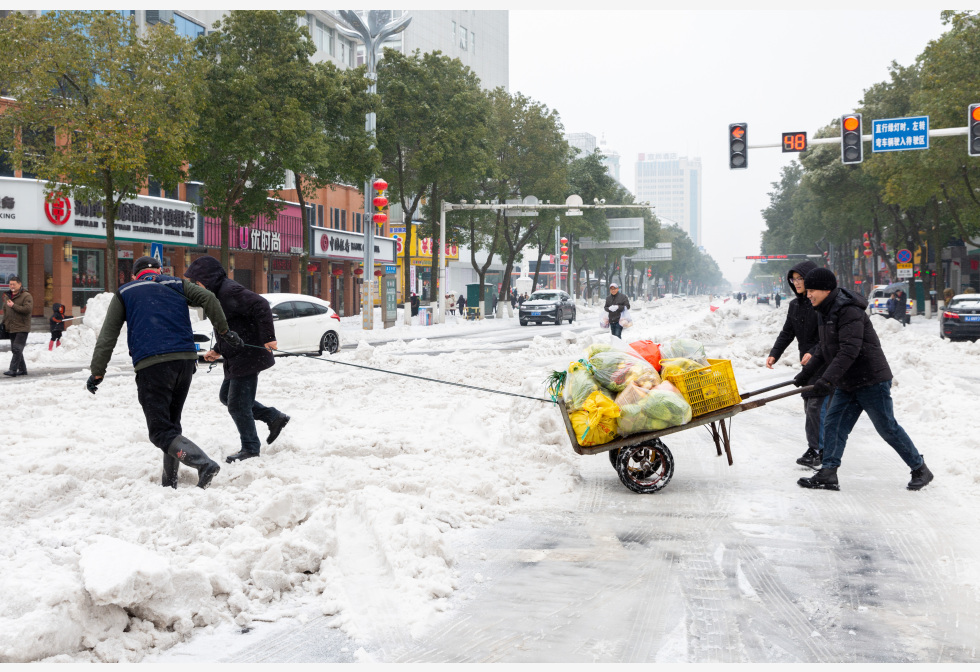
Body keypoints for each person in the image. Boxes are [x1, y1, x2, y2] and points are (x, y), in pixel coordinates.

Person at [87, 256, 242, 489]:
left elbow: (108, 336)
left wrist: (97, 372)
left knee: (160, 432)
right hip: (185, 361)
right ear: (160, 270)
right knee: (171, 426)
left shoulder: (126, 292)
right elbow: (208, 297)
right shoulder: (177, 284)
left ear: (134, 274)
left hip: (152, 364)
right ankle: (169, 482)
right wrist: (224, 330)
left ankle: (203, 464)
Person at [794, 267, 933, 491]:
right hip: (848, 381)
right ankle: (828, 472)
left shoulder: (848, 311)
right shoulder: (825, 310)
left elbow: (850, 349)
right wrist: (806, 373)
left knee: (886, 427)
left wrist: (827, 380)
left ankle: (920, 468)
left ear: (826, 289)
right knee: (833, 424)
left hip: (871, 380)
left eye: (811, 290)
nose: (807, 294)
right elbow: (825, 346)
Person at [185, 255, 290, 464]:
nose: (195, 287)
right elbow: (230, 326)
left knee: (237, 405)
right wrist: (217, 350)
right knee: (227, 397)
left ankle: (250, 448)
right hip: (237, 355)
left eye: (196, 282)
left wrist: (269, 338)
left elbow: (261, 305)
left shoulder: (229, 291)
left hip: (249, 355)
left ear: (207, 279)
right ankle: (272, 417)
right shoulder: (216, 294)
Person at [765, 261, 832, 469]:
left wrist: (813, 351)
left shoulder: (820, 303)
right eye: (793, 279)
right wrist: (774, 354)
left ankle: (818, 450)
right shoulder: (795, 305)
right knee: (809, 406)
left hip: (825, 361)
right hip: (808, 364)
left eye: (800, 278)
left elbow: (828, 334)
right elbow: (787, 332)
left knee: (816, 406)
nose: (797, 283)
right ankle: (819, 448)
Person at [3, 276, 32, 377]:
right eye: (10, 284)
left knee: (17, 348)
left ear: (19, 284)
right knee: (15, 349)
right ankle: (23, 370)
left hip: (22, 327)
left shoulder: (26, 296)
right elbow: (6, 312)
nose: (11, 286)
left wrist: (13, 305)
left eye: (13, 284)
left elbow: (27, 310)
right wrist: (3, 324)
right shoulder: (8, 296)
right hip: (11, 327)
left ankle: (13, 369)